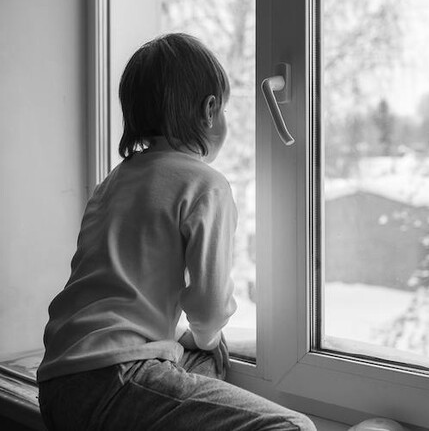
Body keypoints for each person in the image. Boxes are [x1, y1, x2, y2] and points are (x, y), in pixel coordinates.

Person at [37, 33, 316, 431]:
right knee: (293, 427)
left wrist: (185, 336)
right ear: (210, 110)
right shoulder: (206, 184)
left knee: (199, 362)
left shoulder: (113, 182)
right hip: (116, 377)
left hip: (58, 382)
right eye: (224, 110)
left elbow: (116, 286)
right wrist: (206, 335)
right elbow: (209, 306)